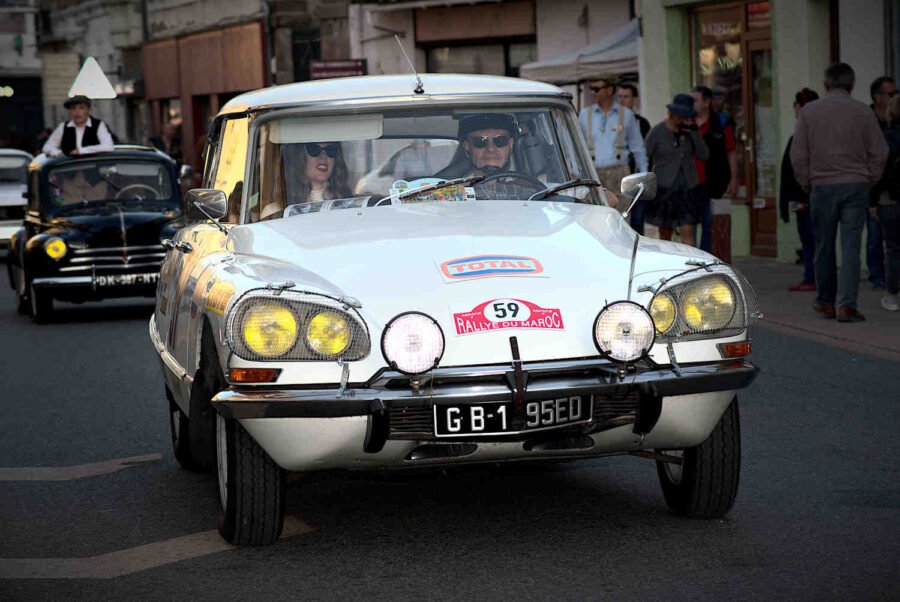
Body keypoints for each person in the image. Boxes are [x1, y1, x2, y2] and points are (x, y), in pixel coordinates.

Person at [790, 63, 889, 323]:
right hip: (856, 184)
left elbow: (798, 154)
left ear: (825, 85)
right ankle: (847, 305)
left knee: (823, 246)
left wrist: (806, 182)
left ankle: (825, 301)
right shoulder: (862, 112)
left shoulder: (809, 112)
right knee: (851, 245)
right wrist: (869, 179)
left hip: (821, 185)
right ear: (852, 84)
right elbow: (880, 152)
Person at [643, 94, 709, 246]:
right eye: (681, 116)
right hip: (665, 188)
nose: (683, 119)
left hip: (687, 187)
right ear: (673, 113)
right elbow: (645, 155)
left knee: (687, 231)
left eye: (687, 116)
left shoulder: (690, 132)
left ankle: (690, 264)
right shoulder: (658, 131)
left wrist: (694, 132)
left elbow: (704, 154)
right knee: (665, 233)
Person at [578, 77, 648, 197]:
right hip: (593, 175)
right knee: (594, 214)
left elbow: (638, 148)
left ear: (609, 90)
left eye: (596, 89)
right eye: (591, 89)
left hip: (619, 173)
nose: (592, 92)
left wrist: (644, 176)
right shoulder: (584, 115)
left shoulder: (626, 114)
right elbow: (576, 148)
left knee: (622, 214)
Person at [780, 88, 820, 292]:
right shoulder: (807, 131)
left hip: (808, 196)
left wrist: (802, 196)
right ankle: (812, 276)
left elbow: (800, 167)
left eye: (796, 104)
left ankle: (812, 278)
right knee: (810, 239)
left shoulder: (808, 133)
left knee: (810, 239)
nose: (794, 109)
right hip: (807, 195)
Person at [690, 85, 738, 253]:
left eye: (695, 100)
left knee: (710, 226)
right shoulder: (686, 122)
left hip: (714, 184)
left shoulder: (721, 123)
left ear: (707, 102)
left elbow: (731, 152)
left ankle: (706, 263)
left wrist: (734, 178)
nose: (691, 104)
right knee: (689, 227)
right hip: (690, 185)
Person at [865, 77, 896, 289]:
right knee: (875, 235)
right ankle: (877, 275)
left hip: (893, 189)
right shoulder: (866, 118)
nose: (895, 98)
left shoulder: (895, 120)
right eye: (891, 94)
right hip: (872, 185)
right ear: (878, 97)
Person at [871, 94, 900, 311]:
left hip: (889, 200)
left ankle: (893, 295)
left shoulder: (885, 137)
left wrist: (872, 201)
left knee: (892, 248)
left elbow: (877, 172)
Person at [42, 95, 114, 157]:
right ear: (69, 111)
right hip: (70, 170)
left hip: (93, 169)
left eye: (81, 108)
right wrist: (58, 153)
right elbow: (47, 147)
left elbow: (108, 146)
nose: (77, 112)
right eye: (73, 108)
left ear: (89, 110)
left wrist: (82, 151)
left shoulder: (98, 125)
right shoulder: (63, 127)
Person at [285, 142, 352, 205]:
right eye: (314, 149)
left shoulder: (348, 203)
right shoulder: (283, 206)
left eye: (330, 150)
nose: (323, 157)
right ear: (299, 156)